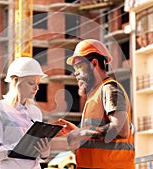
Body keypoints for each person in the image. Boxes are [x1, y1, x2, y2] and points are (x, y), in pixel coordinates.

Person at [57, 39, 135, 169]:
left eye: (79, 66)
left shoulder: (109, 89)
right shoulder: (95, 94)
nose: (75, 72)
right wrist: (77, 131)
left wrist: (82, 133)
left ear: (94, 63)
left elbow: (121, 129)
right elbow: (97, 136)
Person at [0, 57, 51, 169]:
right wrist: (18, 149)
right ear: (15, 81)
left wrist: (44, 153)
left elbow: (36, 157)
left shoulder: (35, 112)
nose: (36, 88)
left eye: (38, 83)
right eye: (31, 83)